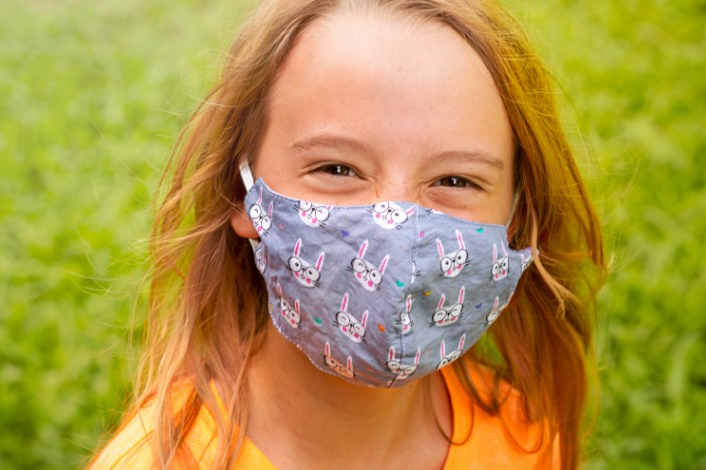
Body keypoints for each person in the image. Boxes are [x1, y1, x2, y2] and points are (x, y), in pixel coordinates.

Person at [89, 0, 606, 468]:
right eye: (337, 169)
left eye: (455, 181)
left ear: (514, 219)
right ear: (240, 194)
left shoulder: (525, 441)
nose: (398, 226)